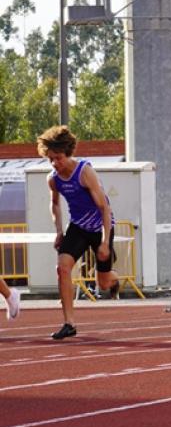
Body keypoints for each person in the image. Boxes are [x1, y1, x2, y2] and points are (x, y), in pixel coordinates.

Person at [37, 125, 121, 340]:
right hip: (78, 227)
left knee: (102, 283)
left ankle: (114, 278)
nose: (55, 163)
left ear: (68, 153)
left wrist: (104, 242)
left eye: (59, 158)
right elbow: (54, 204)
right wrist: (58, 231)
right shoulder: (53, 179)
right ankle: (69, 323)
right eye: (51, 159)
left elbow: (104, 208)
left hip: (100, 226)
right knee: (62, 268)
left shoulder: (84, 172)